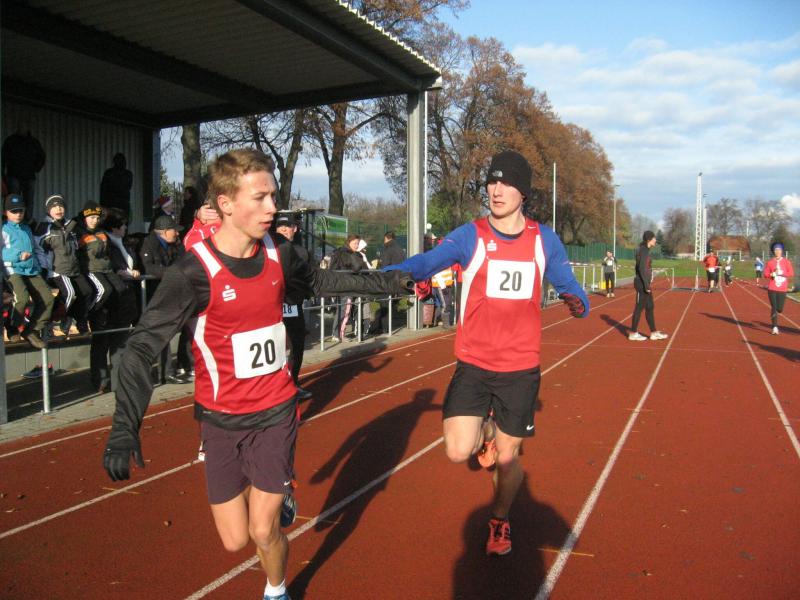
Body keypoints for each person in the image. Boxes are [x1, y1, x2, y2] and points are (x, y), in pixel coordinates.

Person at [102, 149, 412, 600]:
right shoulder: (192, 274)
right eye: (260, 198)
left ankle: (276, 588)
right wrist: (123, 428)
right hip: (220, 419)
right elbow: (140, 349)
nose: (273, 209)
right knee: (234, 540)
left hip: (275, 410)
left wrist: (393, 282)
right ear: (226, 203)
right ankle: (275, 492)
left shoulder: (280, 254)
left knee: (263, 530)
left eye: (273, 197)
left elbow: (321, 283)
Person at [385, 150, 590, 556]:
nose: (496, 190)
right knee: (458, 450)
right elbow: (428, 261)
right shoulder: (471, 235)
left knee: (508, 459)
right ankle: (487, 432)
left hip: (520, 369)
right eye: (491, 182)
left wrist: (577, 301)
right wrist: (392, 275)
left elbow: (570, 285)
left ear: (523, 192)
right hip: (475, 364)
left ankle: (499, 520)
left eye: (506, 183)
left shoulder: (543, 240)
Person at [139, 214, 190, 383]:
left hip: (169, 294)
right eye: (174, 230)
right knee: (154, 336)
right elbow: (148, 267)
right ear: (164, 231)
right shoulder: (148, 243)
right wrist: (172, 273)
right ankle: (159, 374)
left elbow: (183, 261)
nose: (177, 233)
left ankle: (167, 372)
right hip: (152, 296)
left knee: (166, 333)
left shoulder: (175, 244)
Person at [34, 194, 93, 335]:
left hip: (74, 268)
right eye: (54, 207)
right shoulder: (45, 227)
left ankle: (71, 316)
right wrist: (44, 268)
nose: (58, 209)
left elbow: (77, 247)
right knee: (69, 293)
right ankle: (50, 320)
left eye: (61, 206)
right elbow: (38, 249)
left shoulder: (71, 225)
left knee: (87, 291)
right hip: (57, 270)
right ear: (48, 210)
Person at [1, 194, 54, 348]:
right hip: (12, 269)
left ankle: (32, 330)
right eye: (13, 211)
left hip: (31, 269)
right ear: (5, 212)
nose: (18, 214)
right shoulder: (3, 228)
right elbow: (2, 251)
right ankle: (12, 327)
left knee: (48, 299)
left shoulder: (26, 228)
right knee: (22, 298)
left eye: (21, 211)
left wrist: (38, 267)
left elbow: (33, 249)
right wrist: (18, 255)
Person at [273, 213, 313, 400]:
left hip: (293, 305)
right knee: (275, 347)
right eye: (279, 226)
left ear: (294, 229)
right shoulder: (267, 249)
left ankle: (293, 383)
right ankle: (273, 388)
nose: (282, 229)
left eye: (287, 226)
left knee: (297, 344)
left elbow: (311, 277)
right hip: (271, 307)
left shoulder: (302, 252)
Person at [628, 231, 668, 341]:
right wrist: (646, 285)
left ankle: (654, 333)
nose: (655, 240)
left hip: (645, 283)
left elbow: (645, 267)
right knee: (639, 308)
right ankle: (633, 333)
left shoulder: (645, 250)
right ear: (649, 239)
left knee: (650, 307)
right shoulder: (644, 250)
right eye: (654, 238)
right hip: (641, 284)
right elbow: (641, 268)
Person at [2, 128, 46, 221]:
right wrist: (2, 175)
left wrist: (35, 168)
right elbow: (3, 158)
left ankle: (27, 222)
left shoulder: (33, 142)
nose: (23, 127)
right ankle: (11, 221)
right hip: (13, 175)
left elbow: (42, 156)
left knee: (29, 201)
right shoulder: (11, 140)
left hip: (29, 176)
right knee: (13, 200)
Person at [369, 231, 406, 335]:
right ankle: (380, 326)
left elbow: (384, 267)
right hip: (398, 280)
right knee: (390, 304)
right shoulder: (400, 250)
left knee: (384, 304)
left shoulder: (388, 250)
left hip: (388, 280)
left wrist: (378, 265)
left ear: (386, 238)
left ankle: (384, 328)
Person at [329, 233, 364, 341]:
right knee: (345, 310)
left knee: (343, 309)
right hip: (346, 285)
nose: (357, 245)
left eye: (358, 243)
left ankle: (337, 333)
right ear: (349, 242)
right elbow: (356, 267)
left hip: (342, 284)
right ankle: (338, 334)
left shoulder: (339, 252)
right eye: (355, 243)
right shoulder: (347, 254)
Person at [762, 241, 794, 335]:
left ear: (782, 251)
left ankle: (778, 312)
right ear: (773, 251)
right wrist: (771, 274)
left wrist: (782, 273)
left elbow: (791, 273)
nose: (777, 251)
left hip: (782, 289)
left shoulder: (786, 262)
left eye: (779, 249)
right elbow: (765, 274)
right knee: (774, 307)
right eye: (776, 250)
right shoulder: (770, 262)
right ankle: (774, 327)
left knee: (780, 309)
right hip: (772, 288)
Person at [99, 153, 133, 218]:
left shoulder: (108, 173)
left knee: (110, 222)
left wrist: (102, 205)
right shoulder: (128, 174)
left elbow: (103, 190)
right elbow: (128, 187)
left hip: (110, 205)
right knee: (122, 222)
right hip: (123, 205)